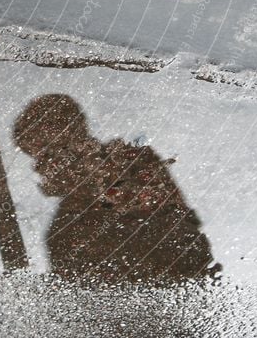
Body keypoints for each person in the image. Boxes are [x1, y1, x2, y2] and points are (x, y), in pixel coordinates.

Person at [13, 94, 220, 284]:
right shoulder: (71, 212)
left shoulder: (135, 169)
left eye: (46, 154)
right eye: (37, 156)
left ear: (72, 142)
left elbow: (183, 247)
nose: (38, 167)